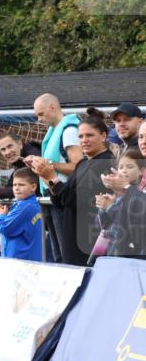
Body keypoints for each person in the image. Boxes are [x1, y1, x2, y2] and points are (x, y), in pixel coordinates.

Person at [28, 108, 114, 266]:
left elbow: (77, 201)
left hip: (89, 242)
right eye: (80, 136)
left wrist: (51, 177)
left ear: (103, 136)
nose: (84, 140)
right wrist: (45, 175)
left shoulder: (105, 163)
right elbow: (61, 198)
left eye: (89, 135)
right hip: (72, 238)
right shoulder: (83, 163)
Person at [33, 93, 83, 262]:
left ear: (52, 108)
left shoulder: (69, 131)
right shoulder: (54, 131)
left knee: (65, 255)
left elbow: (78, 166)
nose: (39, 119)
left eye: (41, 114)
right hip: (53, 198)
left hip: (63, 198)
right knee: (58, 255)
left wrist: (48, 165)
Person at [93, 150, 146, 260]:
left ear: (142, 170)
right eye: (121, 167)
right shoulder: (118, 194)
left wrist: (111, 207)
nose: (124, 171)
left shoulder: (141, 193)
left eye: (130, 166)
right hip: (114, 254)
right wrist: (103, 208)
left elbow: (132, 223)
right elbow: (101, 227)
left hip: (134, 257)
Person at [0, 168, 43, 262]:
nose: (16, 188)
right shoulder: (26, 204)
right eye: (14, 185)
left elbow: (6, 228)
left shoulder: (25, 206)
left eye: (21, 185)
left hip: (20, 262)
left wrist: (1, 216)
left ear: (33, 187)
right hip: (24, 261)